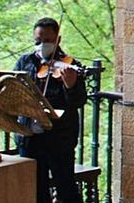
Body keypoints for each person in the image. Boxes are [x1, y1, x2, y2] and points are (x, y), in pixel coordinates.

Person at [15, 17, 86, 203]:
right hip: (30, 136)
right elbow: (14, 91)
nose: (42, 45)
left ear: (58, 40)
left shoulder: (71, 65)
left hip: (59, 137)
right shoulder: (25, 62)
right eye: (38, 41)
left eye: (47, 41)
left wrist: (70, 86)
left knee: (66, 187)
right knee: (35, 189)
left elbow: (78, 101)